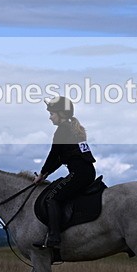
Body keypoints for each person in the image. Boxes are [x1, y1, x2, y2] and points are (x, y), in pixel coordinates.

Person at [33, 96, 96, 249]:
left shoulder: (62, 130)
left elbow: (53, 154)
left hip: (78, 174)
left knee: (51, 198)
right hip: (87, 172)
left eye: (52, 114)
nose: (50, 117)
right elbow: (60, 159)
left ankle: (54, 238)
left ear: (61, 113)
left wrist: (41, 174)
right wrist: (46, 174)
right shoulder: (72, 129)